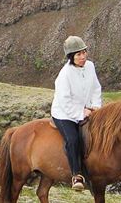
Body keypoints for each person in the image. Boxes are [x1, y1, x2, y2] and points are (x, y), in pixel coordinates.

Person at [50, 36, 102, 191]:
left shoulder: (90, 66)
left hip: (87, 109)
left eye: (84, 52)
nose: (83, 56)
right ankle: (76, 175)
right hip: (64, 114)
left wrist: (95, 107)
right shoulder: (64, 75)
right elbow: (64, 101)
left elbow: (95, 88)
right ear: (71, 57)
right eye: (78, 54)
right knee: (73, 139)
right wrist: (81, 113)